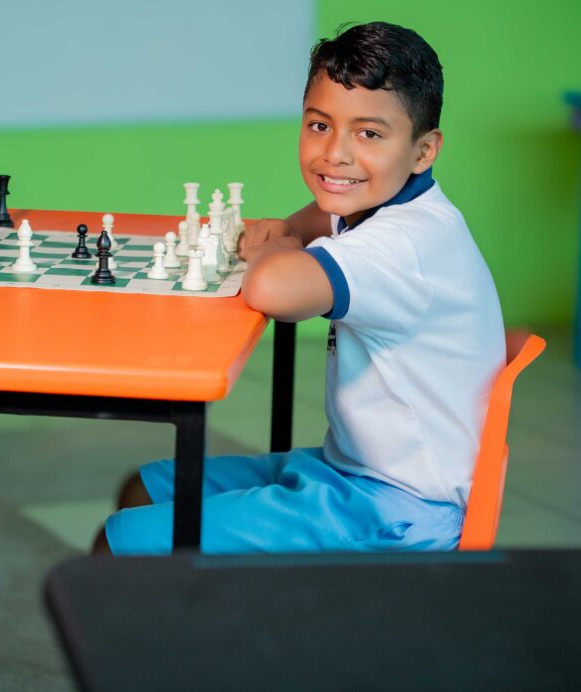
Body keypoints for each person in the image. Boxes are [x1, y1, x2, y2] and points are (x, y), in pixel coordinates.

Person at [97, 22, 505, 555]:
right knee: (142, 490)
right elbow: (297, 228)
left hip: (400, 508)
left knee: (118, 544)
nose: (335, 154)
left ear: (423, 151)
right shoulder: (372, 203)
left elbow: (272, 288)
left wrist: (275, 250)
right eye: (319, 125)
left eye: (369, 134)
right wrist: (283, 242)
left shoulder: (405, 243)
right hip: (351, 472)